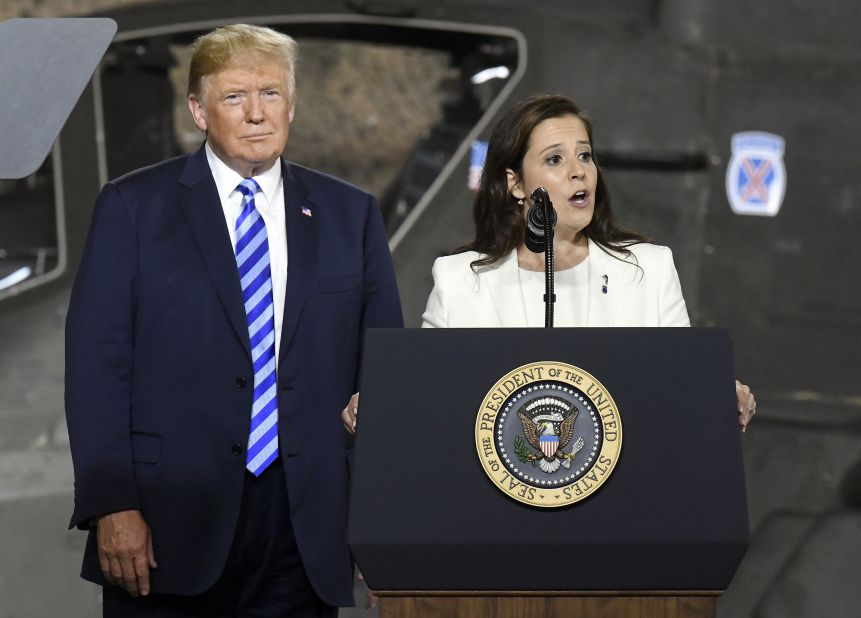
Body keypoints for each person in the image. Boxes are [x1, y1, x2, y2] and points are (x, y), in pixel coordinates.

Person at [65, 23, 402, 617]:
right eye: (234, 97)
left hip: (305, 528)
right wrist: (112, 504)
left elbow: (386, 375)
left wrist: (385, 525)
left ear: (292, 106)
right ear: (198, 110)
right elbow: (97, 369)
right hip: (167, 524)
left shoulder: (351, 215)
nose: (255, 114)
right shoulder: (132, 208)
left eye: (270, 94)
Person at [345, 94, 754, 435]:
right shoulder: (459, 280)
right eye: (555, 160)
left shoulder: (647, 271)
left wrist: (718, 395)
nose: (579, 171)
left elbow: (682, 385)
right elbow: (425, 395)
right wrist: (382, 405)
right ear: (516, 184)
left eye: (585, 156)